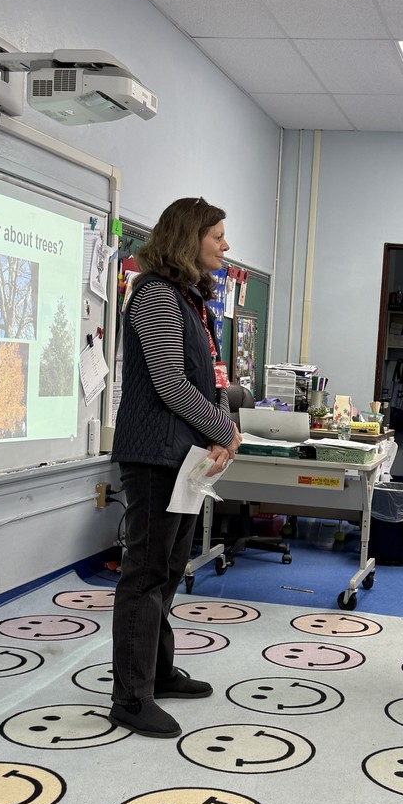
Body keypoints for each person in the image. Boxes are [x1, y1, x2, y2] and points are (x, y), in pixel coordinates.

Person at [108, 196, 241, 739]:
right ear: (189, 239)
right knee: (144, 574)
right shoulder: (156, 296)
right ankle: (130, 698)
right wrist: (224, 433)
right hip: (154, 458)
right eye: (217, 237)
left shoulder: (187, 297)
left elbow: (208, 380)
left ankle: (157, 674)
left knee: (166, 570)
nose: (226, 246)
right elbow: (170, 385)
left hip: (183, 459)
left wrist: (222, 434)